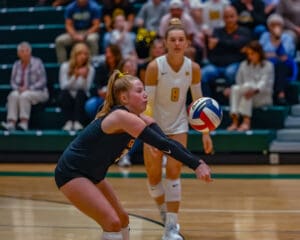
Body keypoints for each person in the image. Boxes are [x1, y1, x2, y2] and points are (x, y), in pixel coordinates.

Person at [54, 69, 212, 240]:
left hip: (93, 174)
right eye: (138, 91)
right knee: (112, 222)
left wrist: (157, 142)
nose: (145, 94)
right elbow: (164, 144)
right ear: (123, 98)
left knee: (122, 219)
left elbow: (162, 140)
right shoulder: (121, 117)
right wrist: (197, 164)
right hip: (72, 172)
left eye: (144, 90)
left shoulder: (138, 118)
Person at [144, 18, 213, 240]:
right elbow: (148, 106)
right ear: (165, 42)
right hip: (153, 126)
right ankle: (164, 215)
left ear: (187, 43)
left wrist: (205, 133)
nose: (176, 43)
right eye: (172, 39)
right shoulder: (155, 67)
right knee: (154, 177)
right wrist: (150, 137)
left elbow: (199, 101)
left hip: (179, 125)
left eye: (181, 40)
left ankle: (171, 227)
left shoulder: (193, 68)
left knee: (174, 173)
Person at [201, 5, 252, 104]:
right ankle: (207, 104)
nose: (229, 19)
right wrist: (232, 46)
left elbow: (239, 44)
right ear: (223, 18)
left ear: (237, 17)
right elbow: (214, 51)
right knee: (203, 73)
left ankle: (232, 102)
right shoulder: (217, 31)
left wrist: (220, 43)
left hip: (234, 64)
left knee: (230, 72)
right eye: (226, 17)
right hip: (216, 65)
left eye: (232, 16)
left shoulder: (244, 32)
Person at [0, 42, 49, 131]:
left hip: (39, 92)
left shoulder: (37, 63)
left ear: (30, 52)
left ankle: (24, 123)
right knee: (13, 95)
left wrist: (28, 88)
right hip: (20, 90)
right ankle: (11, 123)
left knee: (24, 95)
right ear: (18, 54)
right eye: (22, 51)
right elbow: (12, 81)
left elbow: (43, 81)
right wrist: (18, 88)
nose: (24, 53)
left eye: (26, 51)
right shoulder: (16, 64)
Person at [227, 40, 274, 131]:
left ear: (259, 53)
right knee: (235, 88)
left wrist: (254, 90)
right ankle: (235, 121)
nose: (250, 56)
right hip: (246, 94)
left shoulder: (268, 65)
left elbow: (263, 84)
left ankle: (246, 121)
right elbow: (239, 82)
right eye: (248, 54)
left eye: (253, 53)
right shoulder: (243, 65)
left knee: (248, 88)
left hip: (262, 96)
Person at [259, 13, 297, 105]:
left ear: (282, 26)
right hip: (266, 64)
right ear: (268, 26)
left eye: (278, 24)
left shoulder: (287, 37)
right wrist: (273, 55)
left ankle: (280, 94)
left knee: (280, 65)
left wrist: (277, 39)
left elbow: (285, 56)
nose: (275, 27)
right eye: (273, 25)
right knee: (268, 65)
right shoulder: (264, 36)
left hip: (284, 65)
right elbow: (261, 53)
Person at [58, 42, 95, 131]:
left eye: (85, 54)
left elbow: (87, 88)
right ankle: (68, 122)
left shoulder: (90, 69)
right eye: (80, 54)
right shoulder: (65, 66)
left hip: (81, 96)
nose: (83, 56)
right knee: (65, 93)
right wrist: (76, 76)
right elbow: (63, 86)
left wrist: (85, 78)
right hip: (67, 95)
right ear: (75, 55)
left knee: (80, 93)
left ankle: (78, 122)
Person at [85, 44, 123, 120]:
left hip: (119, 97)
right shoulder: (101, 67)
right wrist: (99, 91)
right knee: (90, 105)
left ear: (116, 54)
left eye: (109, 52)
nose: (107, 54)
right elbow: (96, 85)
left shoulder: (122, 66)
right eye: (106, 52)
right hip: (103, 97)